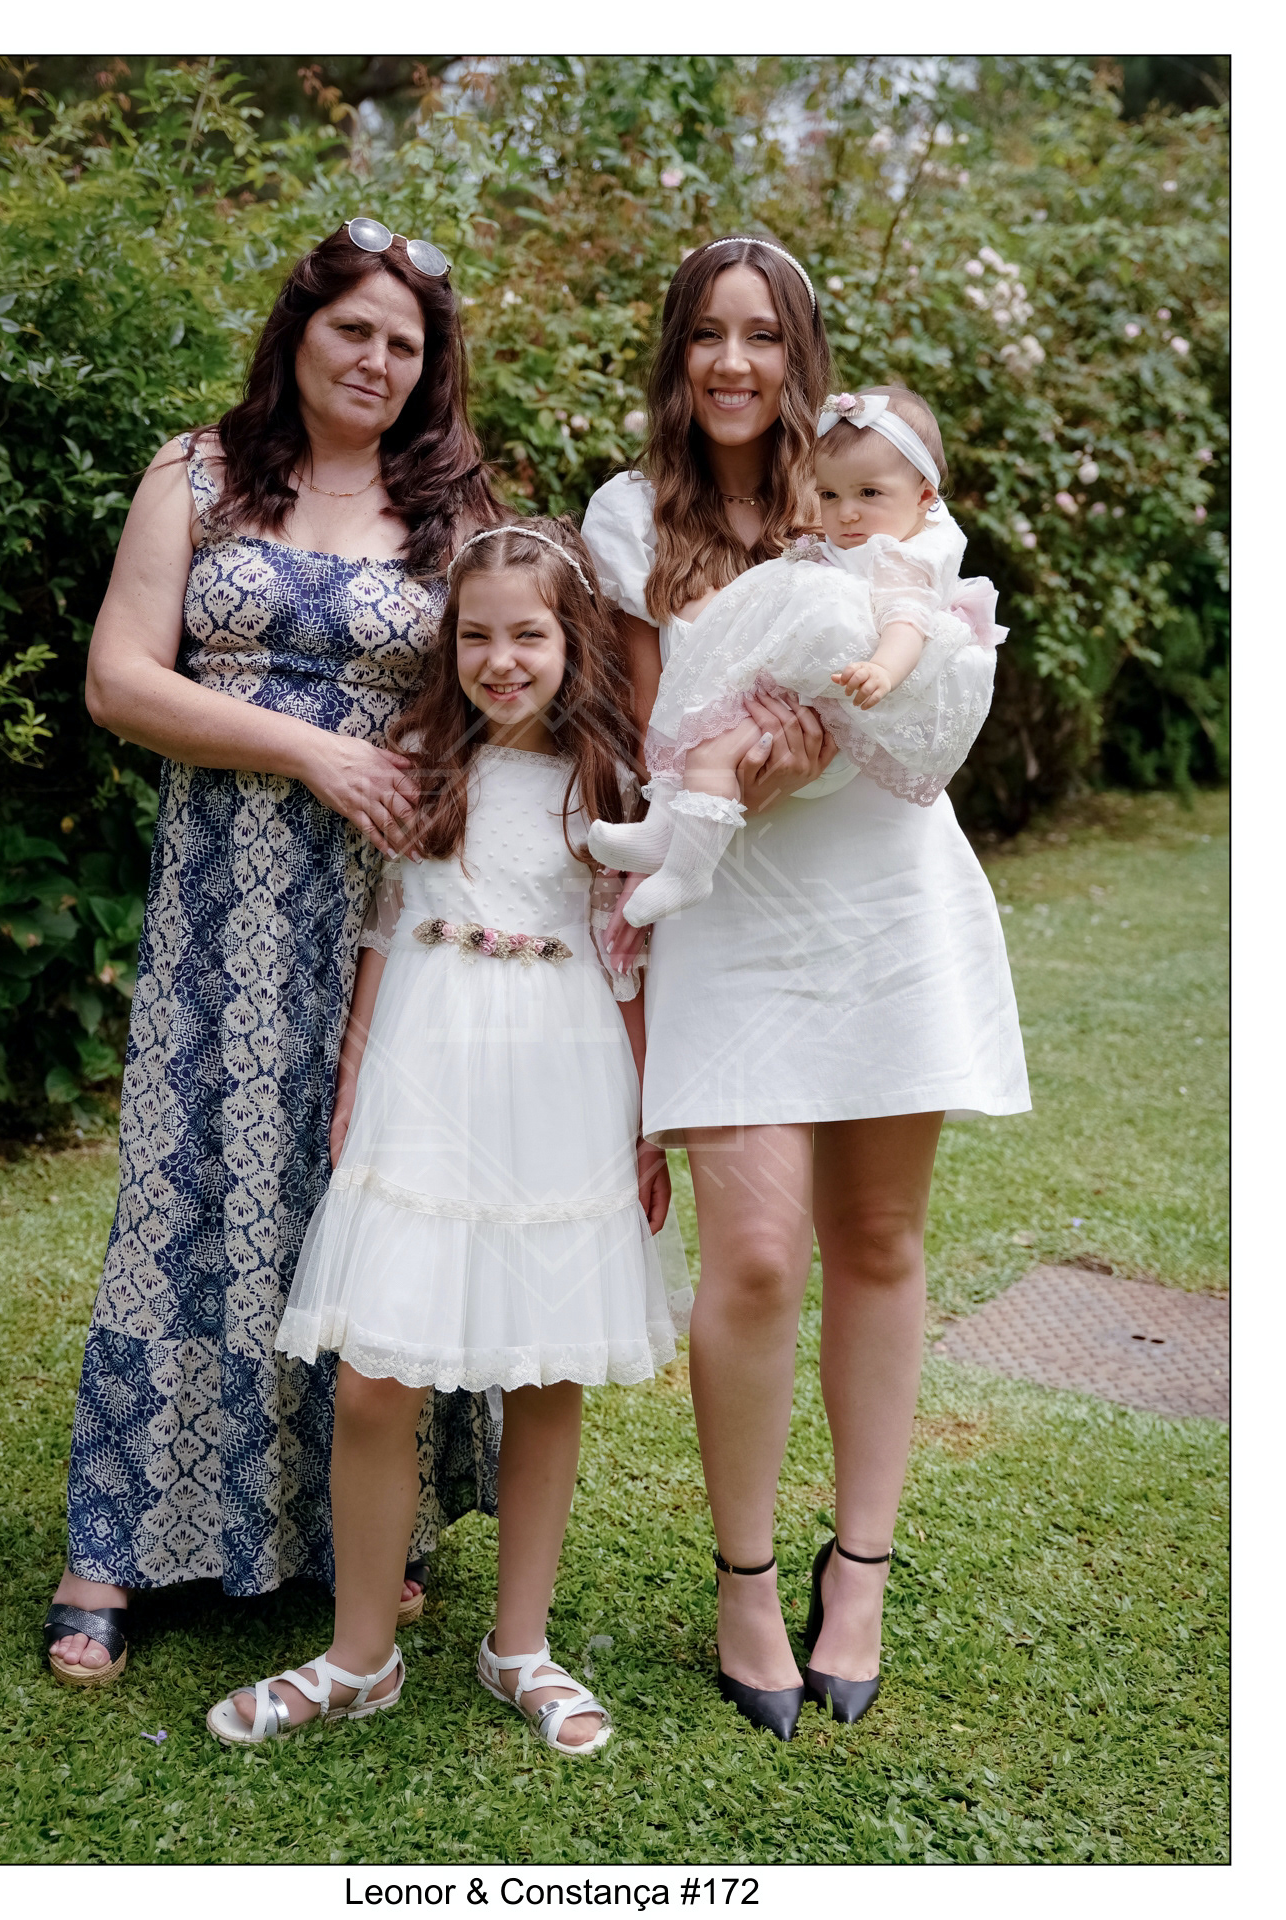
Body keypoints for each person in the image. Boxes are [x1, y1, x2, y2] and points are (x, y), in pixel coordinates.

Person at [44, 220, 505, 1686]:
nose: (376, 360)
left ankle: (361, 1525)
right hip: (220, 899)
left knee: (364, 1181)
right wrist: (314, 751)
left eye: (405, 343)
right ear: (299, 331)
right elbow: (119, 680)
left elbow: (504, 684)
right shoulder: (196, 474)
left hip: (389, 905)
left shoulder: (454, 510)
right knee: (187, 1188)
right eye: (352, 329)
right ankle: (115, 1543)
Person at [581, 236, 1029, 1737]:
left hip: (882, 895)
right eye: (706, 333)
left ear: (801, 355)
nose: (733, 362)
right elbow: (640, 726)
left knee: (879, 1236)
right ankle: (746, 1580)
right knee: (760, 1257)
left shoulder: (866, 483)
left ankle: (863, 1571)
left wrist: (830, 735)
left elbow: (938, 662)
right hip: (730, 908)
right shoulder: (628, 516)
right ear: (674, 353)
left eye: (762, 335)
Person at [204, 520, 689, 1752]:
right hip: (422, 1065)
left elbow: (626, 957)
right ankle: (359, 1656)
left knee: (544, 1363)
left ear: (571, 642)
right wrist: (355, 1068)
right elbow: (382, 923)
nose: (501, 659)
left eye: (528, 634)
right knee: (377, 1375)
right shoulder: (422, 759)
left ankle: (519, 1643)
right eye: (477, 635)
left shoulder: (605, 779)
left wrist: (648, 1119)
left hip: (562, 1070)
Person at [590, 383, 1007, 924]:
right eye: (829, 496)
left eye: (868, 494)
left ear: (925, 496)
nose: (846, 513)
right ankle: (663, 834)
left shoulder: (902, 557)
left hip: (829, 719)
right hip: (789, 694)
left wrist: (882, 669)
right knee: (698, 732)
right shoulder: (861, 539)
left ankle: (688, 871)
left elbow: (907, 620)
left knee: (712, 750)